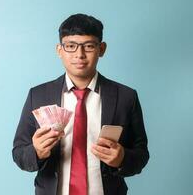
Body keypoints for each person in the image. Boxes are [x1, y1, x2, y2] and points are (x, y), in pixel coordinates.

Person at [12, 13, 149, 195]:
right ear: (59, 50)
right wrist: (36, 151)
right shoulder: (37, 95)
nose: (80, 54)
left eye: (89, 46)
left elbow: (141, 154)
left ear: (101, 49)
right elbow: (19, 153)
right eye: (70, 46)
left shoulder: (126, 97)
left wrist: (122, 158)